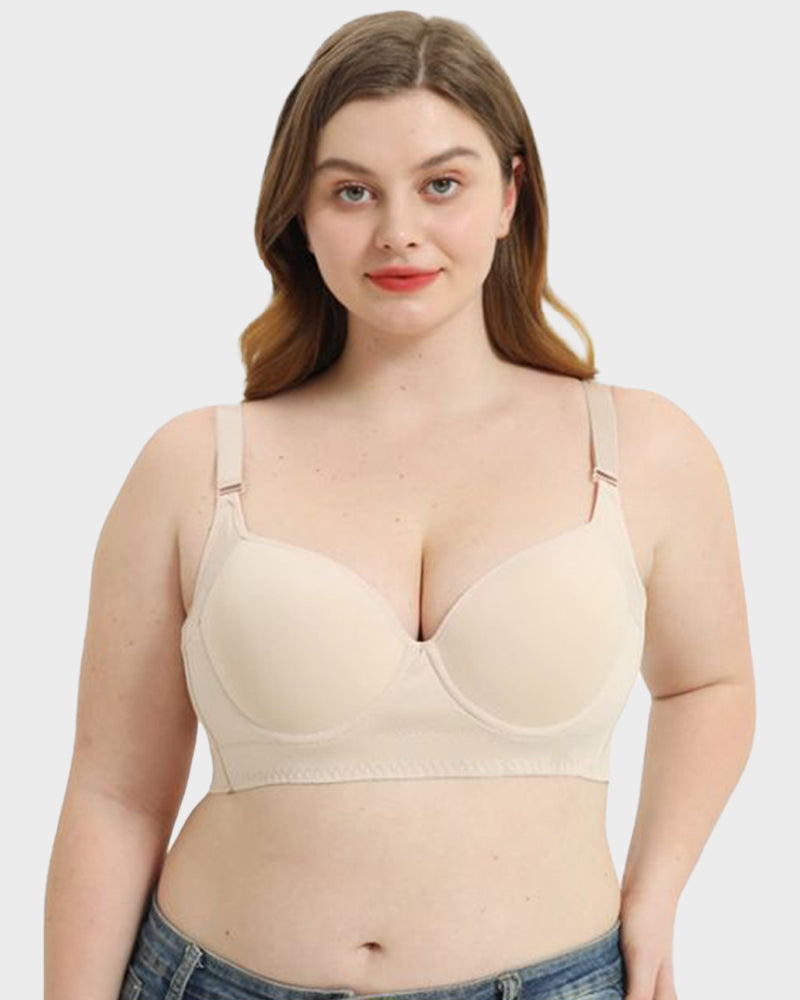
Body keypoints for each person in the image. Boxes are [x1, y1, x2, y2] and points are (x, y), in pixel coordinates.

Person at [43, 12, 755, 1000]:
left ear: (510, 195)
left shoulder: (642, 450)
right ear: (299, 214)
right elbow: (114, 796)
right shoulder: (192, 466)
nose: (398, 231)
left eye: (441, 184)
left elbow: (707, 684)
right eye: (351, 191)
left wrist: (656, 896)